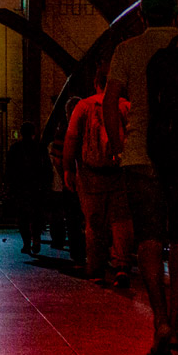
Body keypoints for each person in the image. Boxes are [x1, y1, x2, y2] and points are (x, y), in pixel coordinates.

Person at [104, 0, 178, 355]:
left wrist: (118, 143)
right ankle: (176, 323)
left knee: (147, 238)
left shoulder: (127, 50)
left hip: (141, 155)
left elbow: (111, 101)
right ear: (177, 15)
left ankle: (158, 320)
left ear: (141, 16)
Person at [63, 67, 132, 286]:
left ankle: (96, 269)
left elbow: (72, 138)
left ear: (96, 83)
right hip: (120, 172)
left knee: (94, 222)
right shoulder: (125, 106)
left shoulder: (84, 106)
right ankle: (121, 265)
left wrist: (69, 168)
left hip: (90, 173)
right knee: (120, 220)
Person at [46, 98, 86, 269]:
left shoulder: (63, 131)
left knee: (74, 219)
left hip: (72, 182)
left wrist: (65, 176)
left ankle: (78, 255)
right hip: (89, 178)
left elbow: (56, 158)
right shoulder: (88, 127)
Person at [3, 123, 50, 254]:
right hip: (36, 186)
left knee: (22, 216)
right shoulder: (40, 148)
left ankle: (27, 243)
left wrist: (8, 185)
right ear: (33, 132)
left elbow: (9, 169)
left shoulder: (15, 148)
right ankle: (36, 238)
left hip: (20, 186)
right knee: (36, 214)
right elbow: (46, 168)